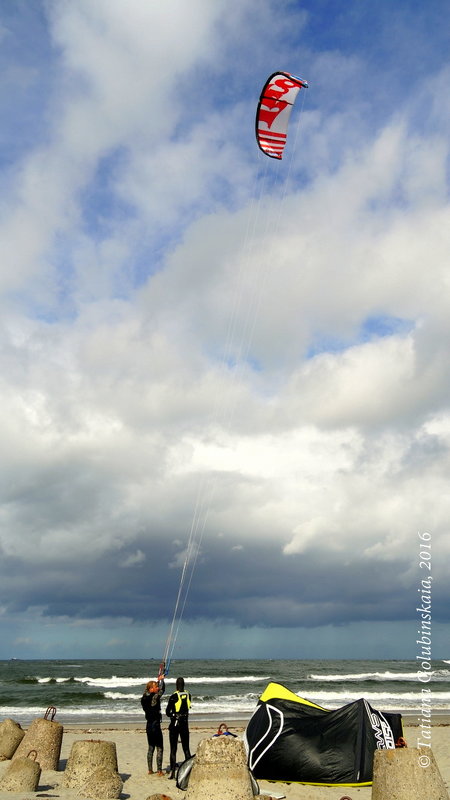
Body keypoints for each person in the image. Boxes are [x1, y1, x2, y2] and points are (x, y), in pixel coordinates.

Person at [141, 665, 166, 776]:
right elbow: (163, 690)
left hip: (148, 725)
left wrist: (158, 681)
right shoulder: (154, 697)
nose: (157, 688)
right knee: (159, 747)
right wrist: (162, 680)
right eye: (155, 687)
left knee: (150, 747)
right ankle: (159, 771)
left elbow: (149, 692)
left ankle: (150, 770)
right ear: (151, 689)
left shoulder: (143, 698)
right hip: (155, 725)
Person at [166, 676, 192, 779]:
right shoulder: (188, 695)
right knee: (186, 748)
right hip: (185, 724)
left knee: (173, 749)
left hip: (175, 725)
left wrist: (173, 714)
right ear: (184, 685)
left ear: (176, 685)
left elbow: (168, 712)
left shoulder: (173, 696)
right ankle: (189, 771)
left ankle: (172, 773)